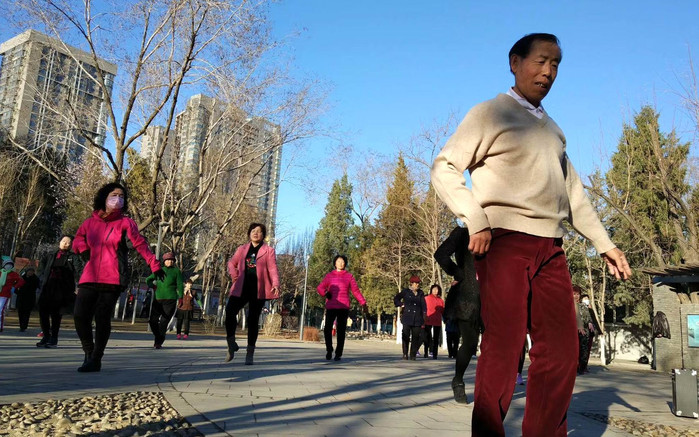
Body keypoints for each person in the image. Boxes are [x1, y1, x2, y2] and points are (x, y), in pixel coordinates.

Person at [430, 33, 632, 436]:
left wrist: (605, 244)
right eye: (541, 61)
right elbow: (444, 166)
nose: (548, 71)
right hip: (503, 242)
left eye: (556, 64)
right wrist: (475, 216)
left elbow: (574, 195)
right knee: (504, 350)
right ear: (515, 62)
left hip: (551, 249)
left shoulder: (554, 131)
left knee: (560, 352)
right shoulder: (490, 113)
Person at [72, 182, 163, 372]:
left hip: (112, 277)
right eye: (114, 195)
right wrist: (83, 249)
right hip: (89, 276)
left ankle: (96, 358)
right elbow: (78, 238)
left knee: (102, 317)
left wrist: (154, 264)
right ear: (104, 197)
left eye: (121, 196)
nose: (118, 199)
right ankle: (88, 352)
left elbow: (140, 244)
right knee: (80, 315)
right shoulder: (89, 222)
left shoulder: (126, 223)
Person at [434, 226, 482, 404]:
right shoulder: (462, 233)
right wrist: (458, 272)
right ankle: (458, 380)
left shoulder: (499, 233)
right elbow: (441, 254)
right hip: (467, 298)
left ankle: (488, 386)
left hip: (492, 296)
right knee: (470, 343)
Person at [225, 223, 280, 365]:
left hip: (258, 289)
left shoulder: (268, 251)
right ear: (249, 233)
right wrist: (234, 274)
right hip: (241, 288)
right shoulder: (242, 249)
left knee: (253, 320)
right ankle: (231, 344)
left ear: (263, 235)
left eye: (260, 232)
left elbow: (273, 269)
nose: (256, 233)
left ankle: (250, 353)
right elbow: (231, 263)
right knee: (230, 311)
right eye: (253, 231)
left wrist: (275, 284)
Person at [316, 255, 368, 361]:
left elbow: (355, 291)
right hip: (331, 305)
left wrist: (363, 303)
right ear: (335, 263)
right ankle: (329, 349)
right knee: (327, 329)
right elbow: (320, 287)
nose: (341, 263)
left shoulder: (349, 276)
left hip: (343, 306)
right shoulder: (329, 276)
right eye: (339, 261)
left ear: (345, 263)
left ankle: (338, 353)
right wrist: (326, 293)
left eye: (343, 261)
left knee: (341, 330)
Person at [36, 236, 81, 347]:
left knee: (56, 315)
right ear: (59, 242)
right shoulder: (51, 255)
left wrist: (81, 284)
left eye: (69, 242)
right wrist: (40, 279)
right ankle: (46, 336)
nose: (66, 244)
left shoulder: (73, 257)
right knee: (43, 313)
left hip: (62, 290)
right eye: (64, 241)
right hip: (48, 287)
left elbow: (79, 270)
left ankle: (53, 338)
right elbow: (41, 268)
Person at [147, 252, 184, 348]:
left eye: (172, 260)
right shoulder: (159, 270)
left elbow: (180, 284)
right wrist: (153, 286)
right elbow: (148, 280)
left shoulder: (176, 271)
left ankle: (158, 342)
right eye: (168, 260)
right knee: (152, 320)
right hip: (158, 298)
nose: (170, 261)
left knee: (164, 321)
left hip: (170, 299)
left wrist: (180, 297)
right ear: (164, 261)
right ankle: (159, 336)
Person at [394, 275, 427, 360]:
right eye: (416, 283)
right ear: (411, 283)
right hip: (407, 317)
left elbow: (423, 305)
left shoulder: (421, 293)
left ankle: (413, 354)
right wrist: (401, 304)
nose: (417, 285)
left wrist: (424, 315)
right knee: (405, 336)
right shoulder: (405, 292)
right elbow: (396, 298)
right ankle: (405, 353)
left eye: (418, 283)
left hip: (418, 318)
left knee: (416, 336)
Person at [577, 292, 600, 374]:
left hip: (589, 332)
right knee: (581, 350)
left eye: (588, 299)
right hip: (580, 331)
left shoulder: (589, 309)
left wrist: (598, 331)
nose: (587, 300)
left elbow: (594, 321)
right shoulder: (579, 307)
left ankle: (583, 367)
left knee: (586, 350)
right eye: (585, 299)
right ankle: (580, 367)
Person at [0, 257, 24, 332]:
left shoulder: (13, 274)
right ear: (4, 265)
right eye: (7, 264)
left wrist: (14, 287)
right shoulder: (0, 272)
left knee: (0, 310)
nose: (8, 266)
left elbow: (21, 281)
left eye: (10, 265)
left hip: (5, 294)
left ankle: (0, 327)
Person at [424, 284, 444, 359]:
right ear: (431, 290)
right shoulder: (426, 298)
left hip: (437, 321)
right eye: (434, 289)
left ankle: (435, 354)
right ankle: (426, 352)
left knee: (436, 338)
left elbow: (443, 311)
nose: (435, 291)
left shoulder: (441, 300)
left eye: (437, 289)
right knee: (427, 337)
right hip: (428, 319)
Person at [16, 267, 40, 332]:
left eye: (32, 271)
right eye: (29, 271)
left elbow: (38, 287)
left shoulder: (36, 279)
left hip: (30, 298)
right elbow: (16, 286)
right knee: (20, 312)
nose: (30, 273)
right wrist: (18, 292)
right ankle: (21, 325)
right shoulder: (21, 278)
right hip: (21, 297)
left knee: (27, 313)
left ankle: (24, 326)